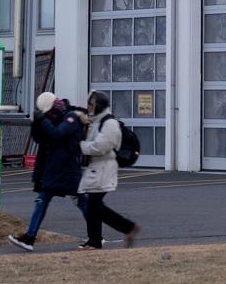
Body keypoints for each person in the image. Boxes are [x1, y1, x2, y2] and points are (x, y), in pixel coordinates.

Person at [8, 92, 83, 251]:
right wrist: (36, 123)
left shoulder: (70, 117)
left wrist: (41, 119)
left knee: (83, 202)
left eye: (48, 112)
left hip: (68, 170)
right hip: (54, 170)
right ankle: (29, 238)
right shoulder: (52, 119)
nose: (48, 115)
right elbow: (41, 139)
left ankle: (96, 236)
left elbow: (57, 135)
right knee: (42, 201)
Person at [75, 90, 140, 250]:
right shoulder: (96, 121)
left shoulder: (109, 123)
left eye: (91, 104)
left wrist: (80, 146)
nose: (88, 108)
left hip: (104, 168)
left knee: (94, 205)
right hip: (96, 168)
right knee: (95, 205)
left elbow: (100, 146)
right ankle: (126, 228)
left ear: (99, 106)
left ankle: (96, 240)